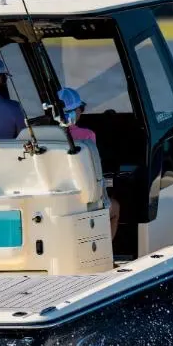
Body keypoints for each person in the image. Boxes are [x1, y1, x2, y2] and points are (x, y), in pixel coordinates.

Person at [58, 87, 120, 240]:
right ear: (75, 112)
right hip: (81, 198)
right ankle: (107, 251)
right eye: (80, 108)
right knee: (115, 208)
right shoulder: (86, 135)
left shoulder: (43, 134)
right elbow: (93, 168)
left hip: (58, 196)